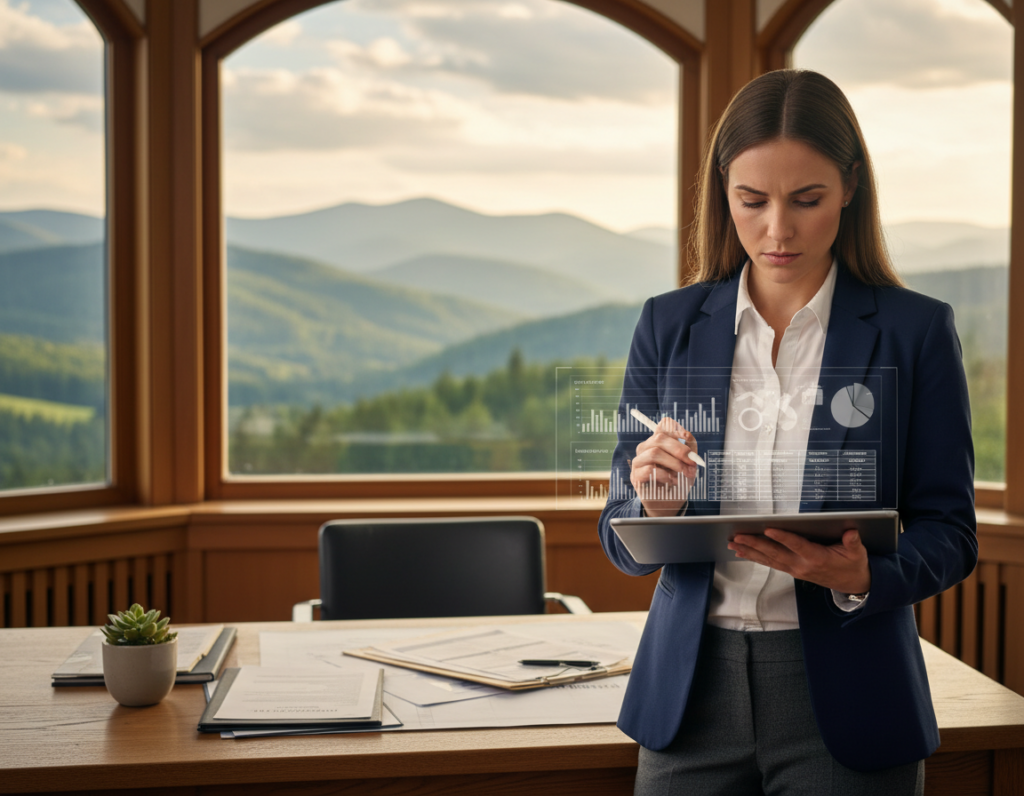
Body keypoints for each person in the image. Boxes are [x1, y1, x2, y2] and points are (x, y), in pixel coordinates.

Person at [597, 69, 977, 795]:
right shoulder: (667, 325)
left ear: (850, 188)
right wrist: (654, 503)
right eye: (752, 200)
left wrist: (865, 577)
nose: (778, 229)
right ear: (724, 194)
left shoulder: (914, 331)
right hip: (689, 700)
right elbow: (620, 535)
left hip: (851, 698)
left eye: (807, 200)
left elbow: (951, 532)